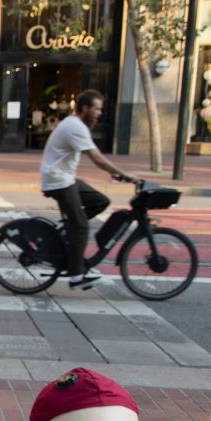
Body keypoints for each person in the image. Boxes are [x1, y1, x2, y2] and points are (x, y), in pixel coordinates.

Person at [39, 89, 137, 289]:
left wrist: (115, 173)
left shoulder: (77, 125)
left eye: (100, 110)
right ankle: (76, 275)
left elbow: (95, 155)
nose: (99, 114)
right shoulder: (75, 126)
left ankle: (70, 230)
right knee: (82, 227)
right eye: (96, 109)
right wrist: (124, 174)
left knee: (101, 201)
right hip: (58, 181)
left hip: (66, 178)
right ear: (84, 108)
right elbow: (96, 157)